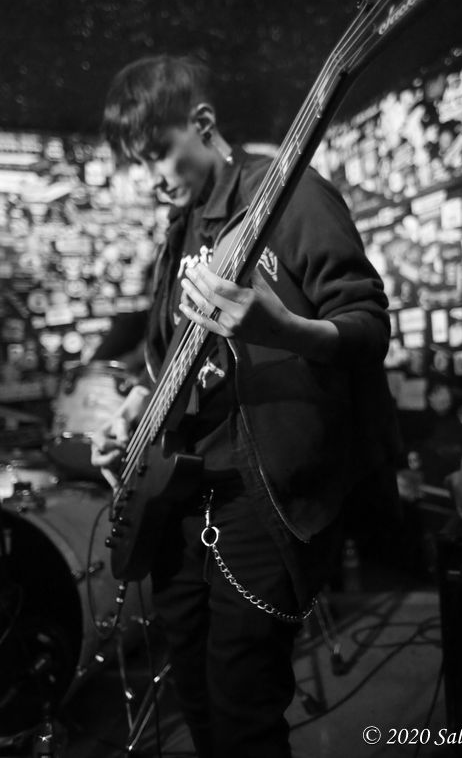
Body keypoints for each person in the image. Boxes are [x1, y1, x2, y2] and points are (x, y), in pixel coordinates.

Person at [91, 54, 400, 758]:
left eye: (157, 153)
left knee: (243, 707)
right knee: (196, 698)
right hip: (181, 495)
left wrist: (283, 330)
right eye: (138, 164)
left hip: (260, 496)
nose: (150, 178)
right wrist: (137, 408)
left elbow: (368, 327)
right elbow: (168, 360)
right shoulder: (179, 231)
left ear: (202, 123)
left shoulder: (288, 194)